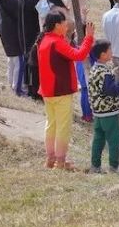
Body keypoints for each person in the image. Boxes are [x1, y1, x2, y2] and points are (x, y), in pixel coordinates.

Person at [37, 12, 95, 170]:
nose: (67, 25)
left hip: (48, 91)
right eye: (64, 23)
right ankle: (60, 161)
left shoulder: (44, 40)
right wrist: (89, 37)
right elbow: (79, 55)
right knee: (63, 127)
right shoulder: (56, 42)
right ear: (57, 25)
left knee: (51, 125)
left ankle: (51, 159)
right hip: (60, 91)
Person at [87, 40, 119, 173]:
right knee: (114, 140)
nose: (112, 52)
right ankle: (114, 166)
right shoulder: (105, 72)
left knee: (98, 139)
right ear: (103, 55)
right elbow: (111, 90)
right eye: (110, 50)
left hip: (97, 112)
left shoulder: (94, 69)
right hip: (109, 112)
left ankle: (95, 166)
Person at [0, 0, 25, 94]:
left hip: (7, 31)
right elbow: (19, 13)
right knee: (19, 60)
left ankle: (12, 85)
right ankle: (18, 89)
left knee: (12, 60)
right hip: (12, 33)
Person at [19, 0, 42, 98]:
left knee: (27, 62)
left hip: (22, 35)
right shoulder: (35, 2)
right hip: (33, 35)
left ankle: (28, 87)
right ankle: (34, 91)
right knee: (34, 64)